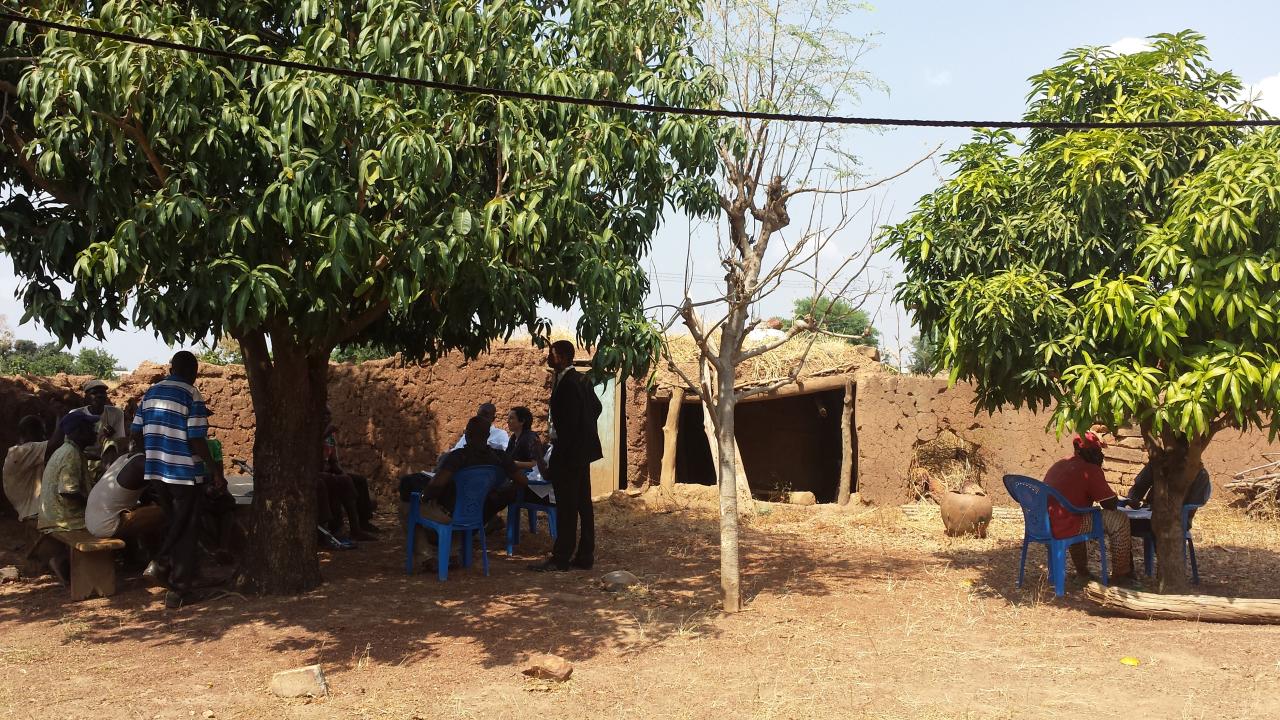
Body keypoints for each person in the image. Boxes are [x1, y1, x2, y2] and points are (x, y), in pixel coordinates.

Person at [131, 350, 217, 608]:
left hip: (156, 471)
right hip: (183, 472)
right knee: (187, 528)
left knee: (175, 523)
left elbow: (135, 431)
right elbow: (196, 437)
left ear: (171, 369)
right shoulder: (192, 394)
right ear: (193, 372)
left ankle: (172, 575)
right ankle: (172, 577)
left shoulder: (150, 393)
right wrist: (212, 469)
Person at [529, 341, 602, 572]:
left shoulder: (570, 382)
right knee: (582, 503)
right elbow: (597, 407)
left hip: (569, 452)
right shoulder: (581, 379)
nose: (548, 359)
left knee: (567, 506)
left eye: (551, 355)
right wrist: (586, 431)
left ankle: (561, 557)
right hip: (581, 452)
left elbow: (570, 422)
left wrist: (567, 442)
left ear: (560, 357)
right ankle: (585, 555)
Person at [1043, 431, 1134, 583]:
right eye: (1094, 451)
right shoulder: (1090, 469)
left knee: (1076, 514)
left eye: (1098, 451)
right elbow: (1109, 504)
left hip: (1045, 524)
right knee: (1119, 520)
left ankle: (1082, 573)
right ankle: (1121, 575)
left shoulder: (1059, 464)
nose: (1098, 455)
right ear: (1080, 450)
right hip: (1066, 525)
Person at [425, 416, 527, 525]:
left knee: (411, 498)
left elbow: (436, 484)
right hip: (481, 513)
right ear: (488, 435)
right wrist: (497, 493)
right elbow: (523, 481)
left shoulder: (458, 457)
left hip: (452, 512)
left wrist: (423, 497)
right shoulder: (500, 457)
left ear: (467, 434)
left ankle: (425, 538)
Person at [37, 411, 100, 584]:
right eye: (91, 428)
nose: (95, 432)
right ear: (79, 431)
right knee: (112, 524)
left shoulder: (67, 450)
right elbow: (68, 492)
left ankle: (63, 560)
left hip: (54, 514)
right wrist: (93, 506)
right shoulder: (71, 454)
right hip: (64, 518)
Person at [84, 440, 165, 544]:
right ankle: (159, 555)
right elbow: (168, 492)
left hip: (93, 522)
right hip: (106, 526)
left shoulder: (124, 458)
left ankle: (142, 552)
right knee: (167, 511)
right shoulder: (142, 464)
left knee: (147, 511)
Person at [320, 408, 378, 539]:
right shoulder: (312, 434)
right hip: (317, 472)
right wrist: (324, 434)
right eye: (324, 416)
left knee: (359, 480)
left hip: (329, 470)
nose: (327, 420)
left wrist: (341, 471)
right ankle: (349, 528)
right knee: (342, 481)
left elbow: (333, 460)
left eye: (328, 417)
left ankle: (363, 522)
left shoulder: (330, 437)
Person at [45, 378, 128, 463]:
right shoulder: (76, 414)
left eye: (102, 392)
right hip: (80, 457)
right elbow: (69, 443)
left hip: (106, 458)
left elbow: (120, 441)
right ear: (86, 398)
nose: (99, 395)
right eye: (94, 393)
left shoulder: (116, 413)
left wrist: (110, 437)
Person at [1122, 462, 1212, 540]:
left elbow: (1192, 505)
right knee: (1121, 522)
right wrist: (1132, 500)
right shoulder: (1159, 462)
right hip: (1149, 515)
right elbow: (1139, 487)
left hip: (1178, 521)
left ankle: (1166, 558)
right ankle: (1124, 559)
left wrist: (1171, 512)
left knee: (1159, 525)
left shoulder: (1200, 474)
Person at [506, 405, 553, 505]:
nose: (508, 421)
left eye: (511, 418)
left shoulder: (529, 438)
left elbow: (534, 464)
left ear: (522, 421)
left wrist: (514, 464)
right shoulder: (514, 438)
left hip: (530, 485)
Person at [4, 415, 47, 522]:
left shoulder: (17, 453)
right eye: (41, 433)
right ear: (29, 433)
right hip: (33, 512)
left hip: (30, 511)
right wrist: (61, 416)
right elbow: (55, 443)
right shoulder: (24, 451)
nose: (43, 437)